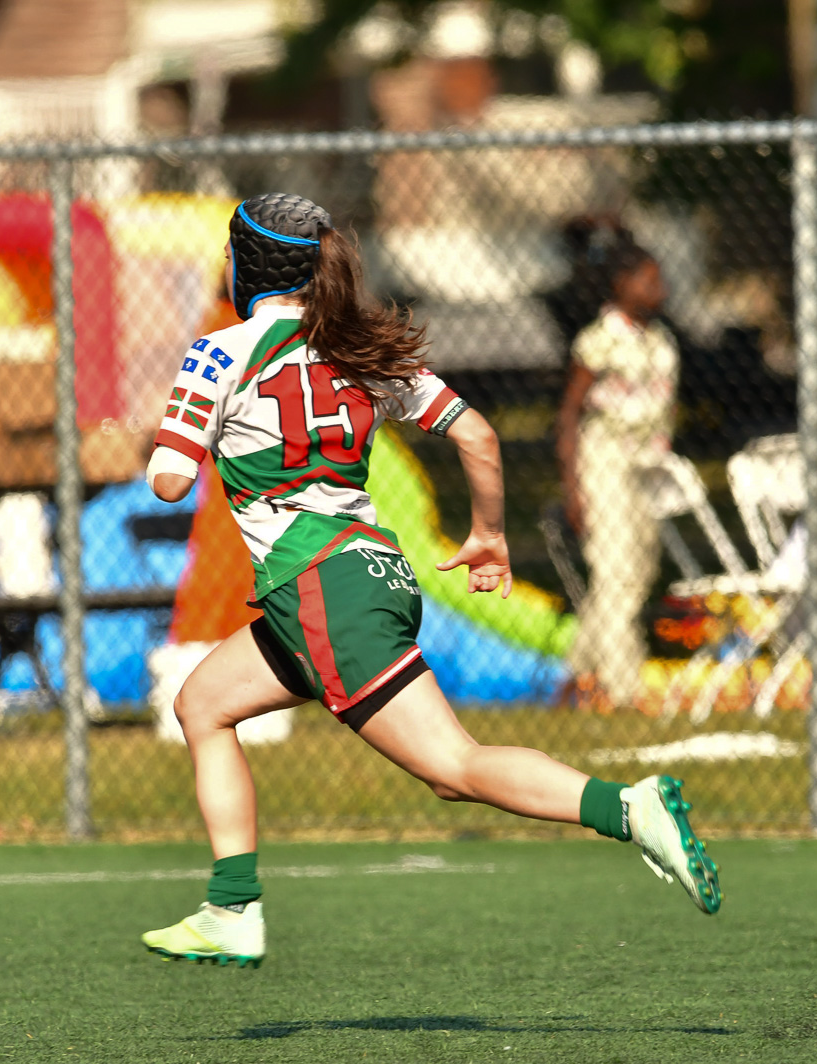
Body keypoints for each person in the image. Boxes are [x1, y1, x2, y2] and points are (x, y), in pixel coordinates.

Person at [138, 195, 720, 967]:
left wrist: (185, 427)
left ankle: (629, 808)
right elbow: (475, 432)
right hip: (364, 571)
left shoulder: (218, 352)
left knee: (454, 768)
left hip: (321, 586)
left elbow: (170, 480)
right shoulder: (361, 348)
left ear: (243, 265)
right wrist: (486, 534)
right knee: (203, 703)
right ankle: (232, 905)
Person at [553, 240, 677, 711]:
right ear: (622, 285)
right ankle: (625, 689)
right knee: (615, 570)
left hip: (650, 465)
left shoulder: (661, 338)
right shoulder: (599, 339)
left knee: (638, 572)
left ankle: (574, 673)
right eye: (649, 279)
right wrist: (574, 488)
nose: (659, 289)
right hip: (605, 461)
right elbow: (568, 415)